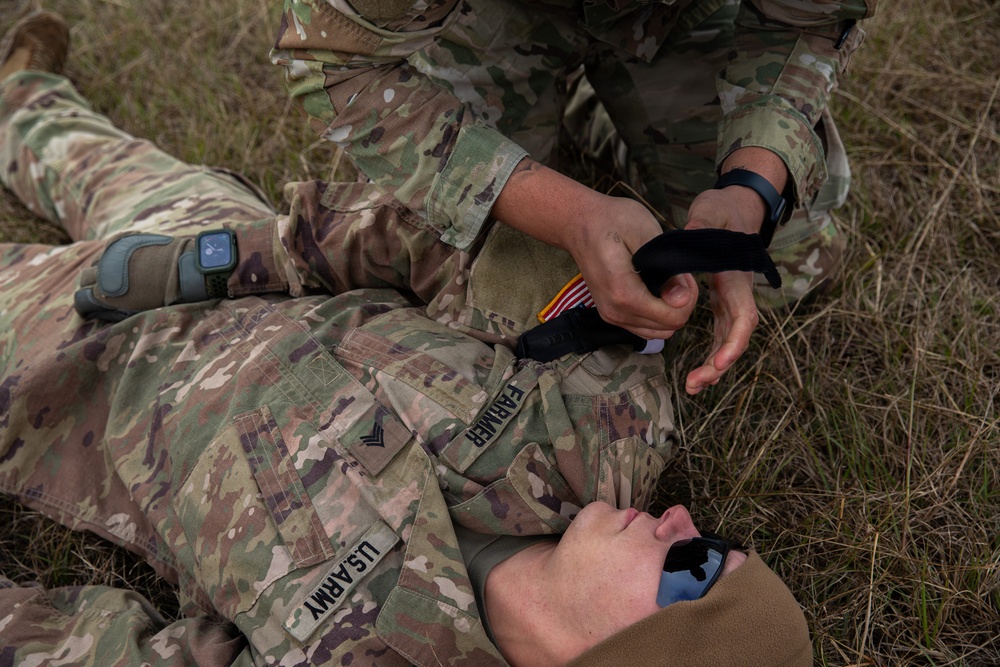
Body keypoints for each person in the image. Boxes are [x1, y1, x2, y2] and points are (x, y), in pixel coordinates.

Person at [0, 9, 811, 666]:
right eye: (713, 541)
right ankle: (22, 95)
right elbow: (437, 248)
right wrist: (219, 260)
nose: (680, 518)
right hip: (230, 255)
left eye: (694, 566)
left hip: (72, 381)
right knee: (88, 158)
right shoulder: (611, 414)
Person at [270, 0, 876, 396]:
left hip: (666, 17)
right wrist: (567, 214)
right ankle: (540, 125)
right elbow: (332, 60)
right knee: (506, 296)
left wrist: (748, 192)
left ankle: (592, 114)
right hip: (489, 21)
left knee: (792, 266)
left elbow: (809, 20)